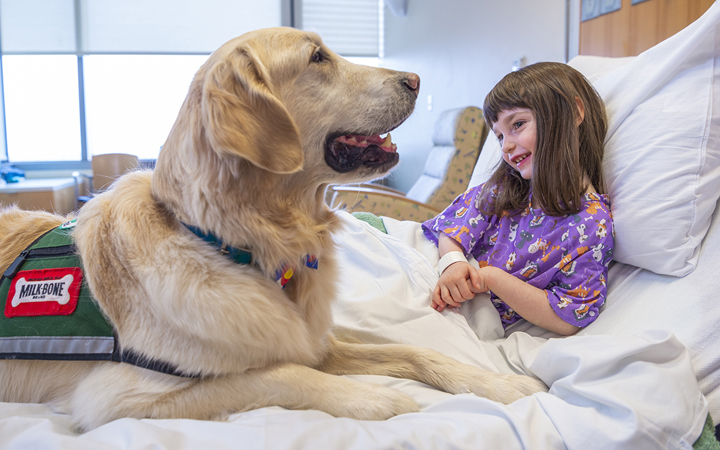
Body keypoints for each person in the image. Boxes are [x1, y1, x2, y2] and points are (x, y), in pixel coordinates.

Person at [422, 62, 614, 336]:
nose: (506, 146)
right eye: (499, 136)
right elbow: (451, 228)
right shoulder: (506, 188)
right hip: (431, 270)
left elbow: (569, 317)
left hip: (467, 312)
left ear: (573, 112)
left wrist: (491, 278)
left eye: (518, 125)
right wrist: (453, 263)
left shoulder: (591, 224)